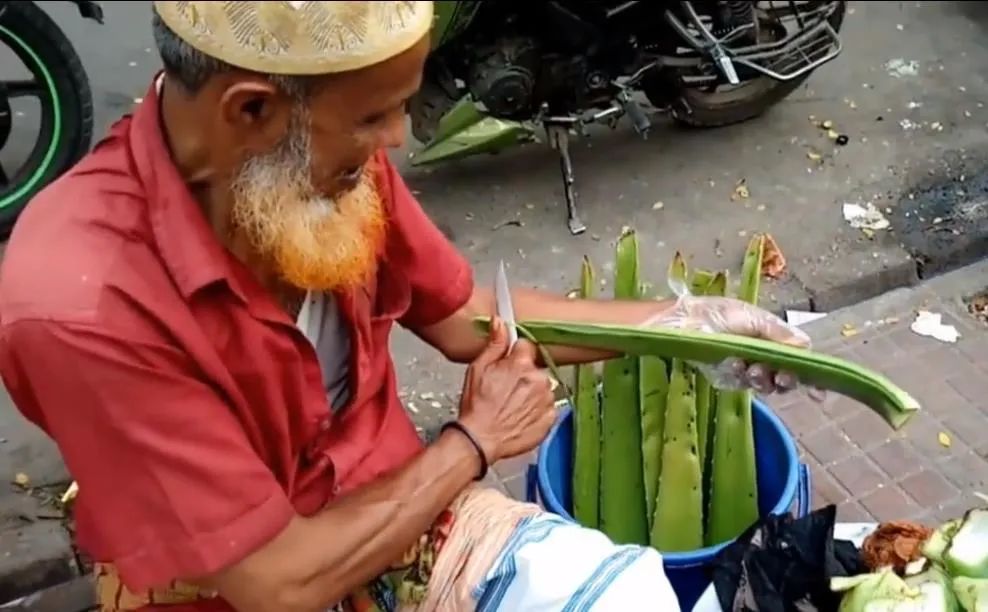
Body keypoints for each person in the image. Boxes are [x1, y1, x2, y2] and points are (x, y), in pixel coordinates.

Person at [0, 2, 812, 611]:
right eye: (373, 116)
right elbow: (275, 580)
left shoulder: (320, 160)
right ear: (249, 110)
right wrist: (472, 442)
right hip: (223, 588)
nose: (397, 140)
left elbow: (467, 319)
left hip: (400, 512)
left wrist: (689, 327)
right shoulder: (81, 305)